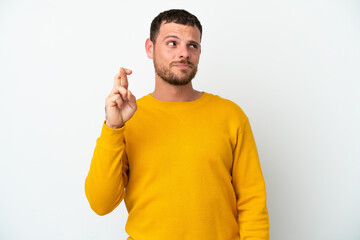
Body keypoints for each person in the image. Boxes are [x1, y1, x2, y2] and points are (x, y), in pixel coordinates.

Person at [85, 9, 270, 240]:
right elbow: (101, 203)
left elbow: (252, 201)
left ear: (200, 52)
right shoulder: (128, 120)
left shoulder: (231, 116)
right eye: (172, 43)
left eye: (192, 46)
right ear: (150, 48)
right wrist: (113, 128)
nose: (184, 53)